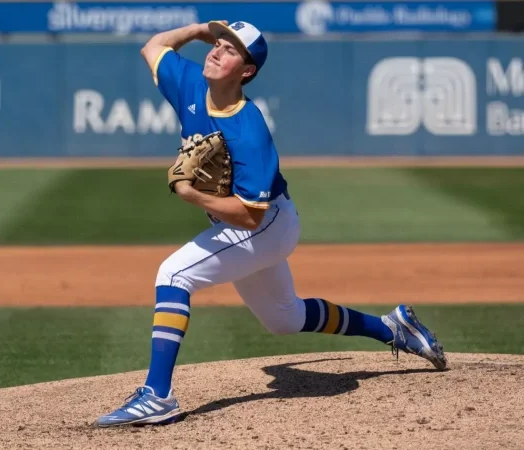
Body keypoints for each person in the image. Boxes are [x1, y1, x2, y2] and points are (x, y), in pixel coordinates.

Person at [95, 20, 446, 427]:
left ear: (247, 71)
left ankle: (157, 396)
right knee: (284, 319)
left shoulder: (249, 129)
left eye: (229, 50)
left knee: (173, 274)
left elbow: (250, 215)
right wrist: (196, 30)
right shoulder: (190, 81)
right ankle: (391, 327)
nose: (217, 51)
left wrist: (191, 194)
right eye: (219, 42)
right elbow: (153, 46)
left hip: (265, 225)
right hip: (249, 224)